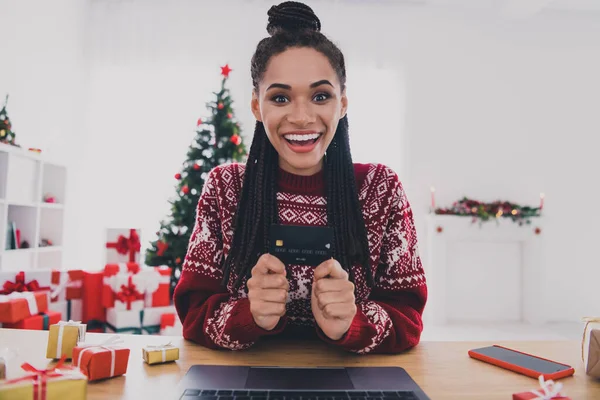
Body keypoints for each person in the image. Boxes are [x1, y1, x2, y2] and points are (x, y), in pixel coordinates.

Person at [173, 1, 427, 354]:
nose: (302, 116)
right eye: (280, 97)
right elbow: (193, 314)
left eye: (320, 96)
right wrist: (249, 314)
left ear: (342, 104)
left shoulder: (380, 189)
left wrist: (353, 322)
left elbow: (409, 321)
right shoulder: (225, 187)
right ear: (257, 107)